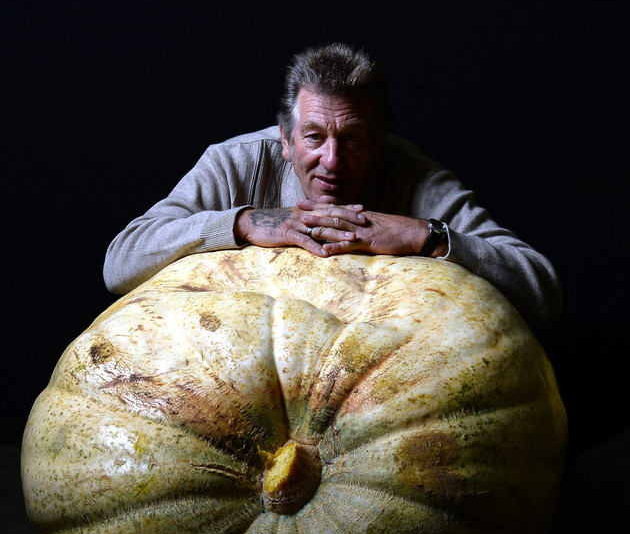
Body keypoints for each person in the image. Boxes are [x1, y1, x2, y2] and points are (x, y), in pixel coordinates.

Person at [104, 43, 562, 331]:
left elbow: (541, 293)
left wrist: (426, 235)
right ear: (284, 139)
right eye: (314, 137)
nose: (332, 160)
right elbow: (120, 262)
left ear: (379, 145)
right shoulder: (234, 164)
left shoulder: (415, 177)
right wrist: (243, 222)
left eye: (353, 139)